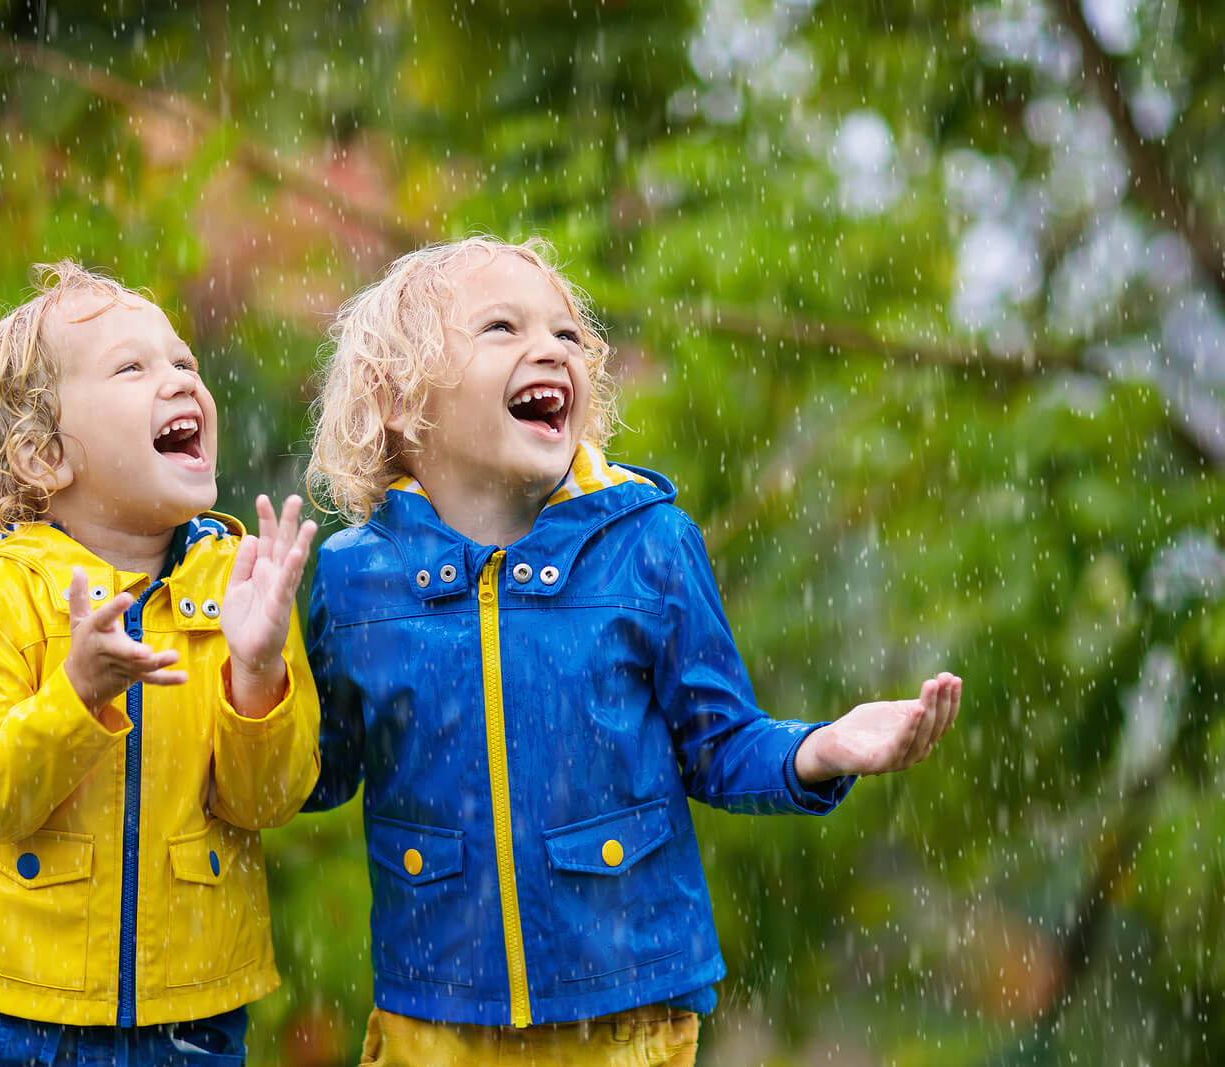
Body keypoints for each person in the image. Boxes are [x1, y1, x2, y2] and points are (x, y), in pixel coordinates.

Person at [302, 237, 961, 1066]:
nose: (549, 348)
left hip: (624, 1021)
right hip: (433, 1022)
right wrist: (253, 674)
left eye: (568, 336)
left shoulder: (647, 544)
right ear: (400, 402)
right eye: (501, 328)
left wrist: (820, 749)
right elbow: (318, 774)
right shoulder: (356, 578)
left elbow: (720, 747)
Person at [0, 261, 319, 1066]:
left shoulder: (239, 586)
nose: (179, 379)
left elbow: (269, 800)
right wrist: (78, 692)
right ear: (43, 455)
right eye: (132, 367)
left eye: (184, 361)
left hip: (194, 1017)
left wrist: (256, 675)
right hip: (22, 1015)